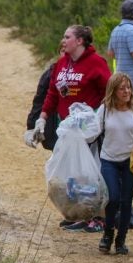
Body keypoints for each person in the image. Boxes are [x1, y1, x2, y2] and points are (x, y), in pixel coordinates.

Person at [33, 25, 111, 232]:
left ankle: (99, 216)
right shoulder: (62, 63)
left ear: (79, 41)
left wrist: (97, 116)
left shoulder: (96, 63)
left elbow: (109, 91)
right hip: (67, 128)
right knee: (72, 172)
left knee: (92, 170)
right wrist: (42, 118)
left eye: (67, 36)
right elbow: (53, 93)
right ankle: (78, 213)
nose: (63, 40)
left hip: (89, 130)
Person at [95, 72, 133, 255]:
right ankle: (107, 234)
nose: (126, 91)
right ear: (113, 90)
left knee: (126, 202)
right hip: (108, 160)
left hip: (130, 162)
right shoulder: (105, 110)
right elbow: (94, 132)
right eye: (122, 88)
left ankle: (121, 240)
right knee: (113, 197)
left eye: (128, 87)